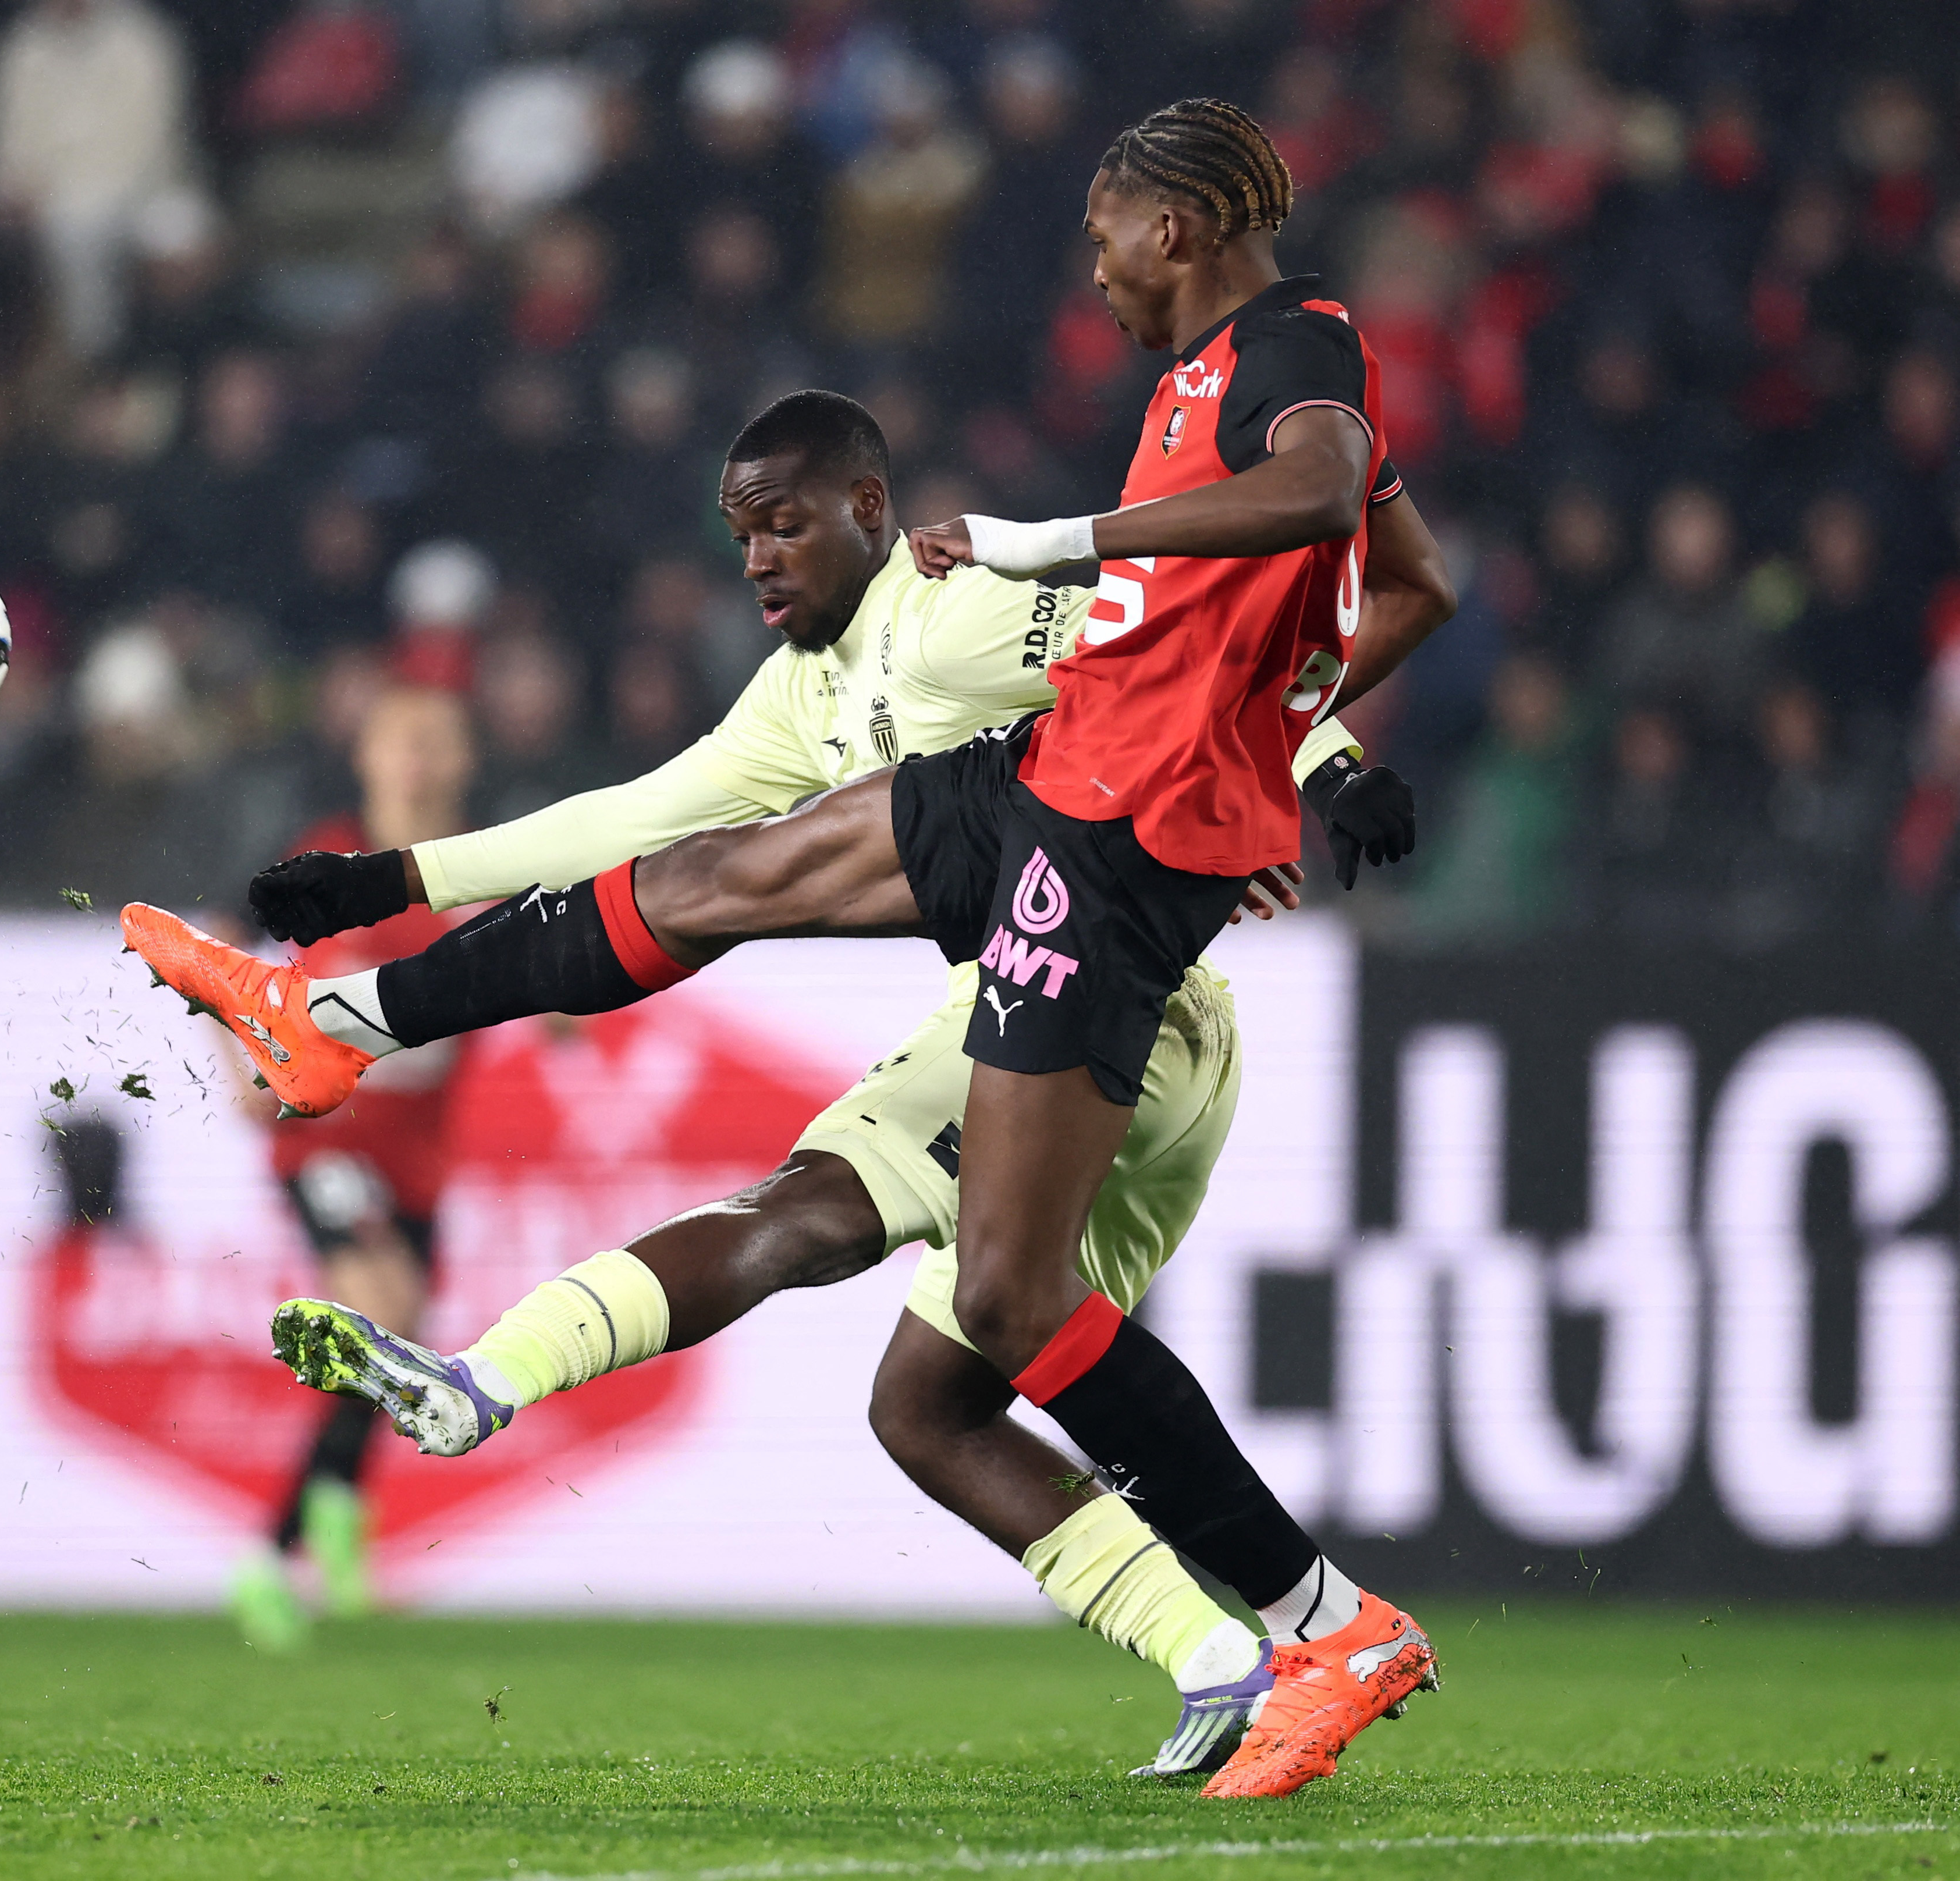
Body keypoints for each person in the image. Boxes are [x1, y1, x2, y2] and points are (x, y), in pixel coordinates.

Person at [126, 101, 1447, 1800]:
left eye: (779, 526)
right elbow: (623, 818)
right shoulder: (808, 687)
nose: (752, 556)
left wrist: (1301, 755)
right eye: (736, 531)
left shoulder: (1041, 540)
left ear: (865, 510)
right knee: (898, 1291)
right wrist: (390, 874)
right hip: (1055, 863)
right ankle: (1235, 1652)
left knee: (907, 1233)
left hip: (1117, 899)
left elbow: (1241, 576)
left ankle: (1316, 1615)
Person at [226, 685, 480, 1652]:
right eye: (398, 739)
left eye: (435, 740)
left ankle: (331, 1510)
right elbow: (218, 952)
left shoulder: (482, 868)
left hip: (418, 1160)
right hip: (325, 1141)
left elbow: (553, 987)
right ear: (366, 755)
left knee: (394, 1340)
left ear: (462, 758)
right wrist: (243, 1067)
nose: (417, 759)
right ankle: (276, 1551)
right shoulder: (323, 862)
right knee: (386, 1307)